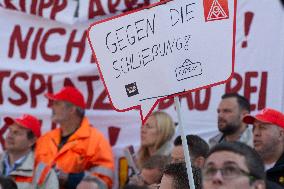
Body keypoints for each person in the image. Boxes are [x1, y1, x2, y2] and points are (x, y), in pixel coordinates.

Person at [35, 86, 114, 189]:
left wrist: (70, 179)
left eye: (57, 103)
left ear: (72, 109)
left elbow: (104, 181)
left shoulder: (96, 140)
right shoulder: (45, 139)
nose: (52, 107)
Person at [0, 114, 58, 189]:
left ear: (32, 141)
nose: (10, 136)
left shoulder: (45, 173)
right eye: (10, 131)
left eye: (17, 133)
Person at [243, 108, 284, 187]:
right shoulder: (242, 164)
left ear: (280, 135)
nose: (256, 133)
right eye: (254, 128)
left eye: (262, 127)